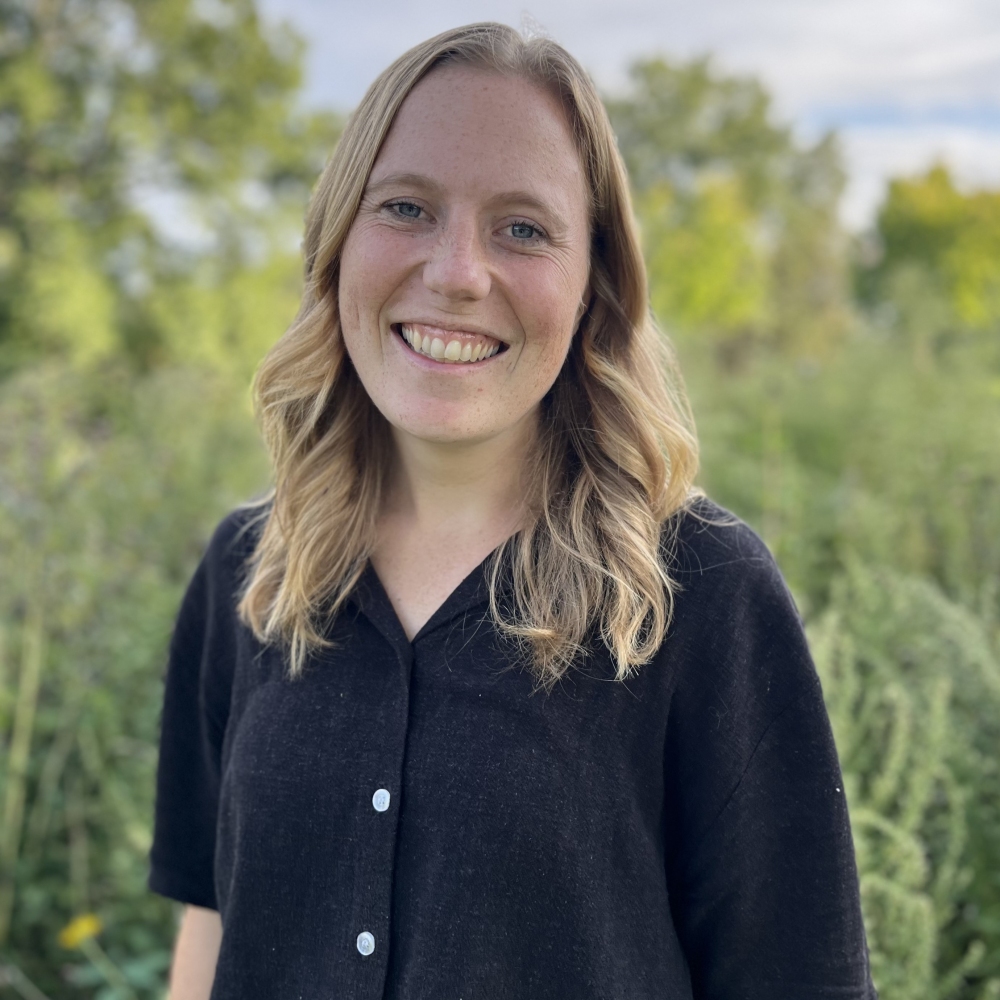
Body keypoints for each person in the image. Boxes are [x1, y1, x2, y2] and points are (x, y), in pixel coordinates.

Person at [149, 21, 877, 1000]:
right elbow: (211, 921)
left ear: (592, 285)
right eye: (405, 207)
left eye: (523, 228)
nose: (457, 272)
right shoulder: (249, 570)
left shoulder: (701, 589)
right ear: (335, 240)